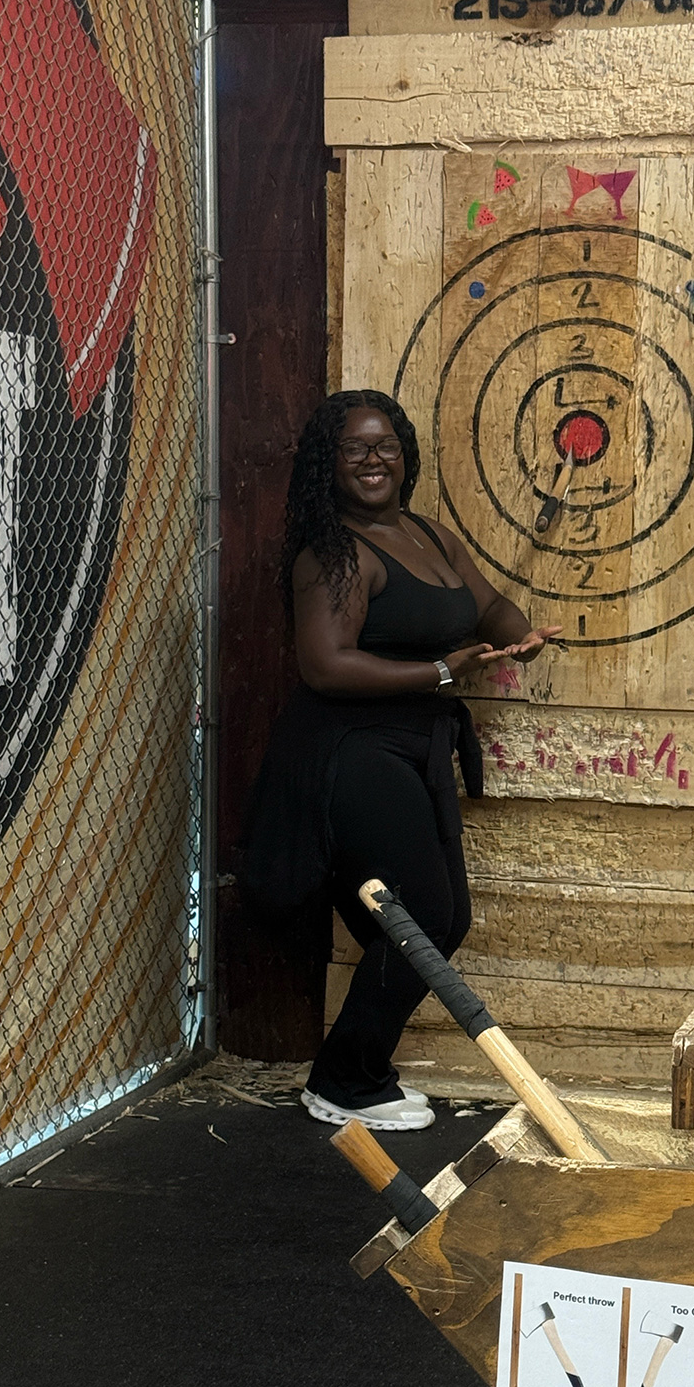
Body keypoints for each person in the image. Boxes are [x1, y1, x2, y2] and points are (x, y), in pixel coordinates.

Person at [242, 390, 560, 1132]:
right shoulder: (334, 552)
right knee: (420, 916)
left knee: (443, 918)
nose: (374, 459)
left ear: (405, 455)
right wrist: (442, 675)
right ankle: (344, 1080)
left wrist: (518, 636)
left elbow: (489, 606)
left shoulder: (428, 535)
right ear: (330, 462)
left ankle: (359, 1068)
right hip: (350, 752)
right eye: (355, 447)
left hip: (412, 745)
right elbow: (325, 666)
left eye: (386, 444)